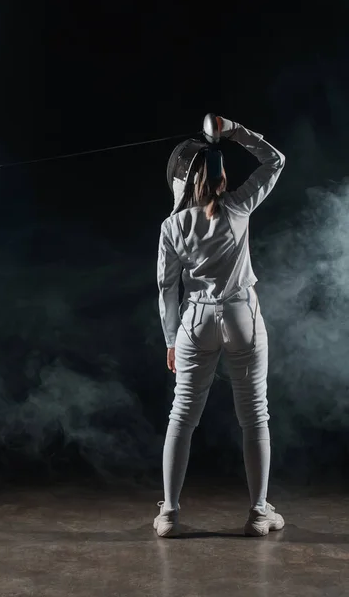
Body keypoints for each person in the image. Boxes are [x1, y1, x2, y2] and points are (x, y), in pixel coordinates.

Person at [154, 115, 286, 538]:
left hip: (195, 321)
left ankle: (169, 516)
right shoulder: (237, 206)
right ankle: (258, 513)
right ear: (218, 173)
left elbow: (165, 289)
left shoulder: (172, 226)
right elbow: (275, 161)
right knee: (255, 417)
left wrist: (172, 339)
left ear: (180, 179)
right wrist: (233, 130)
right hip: (241, 316)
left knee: (182, 416)